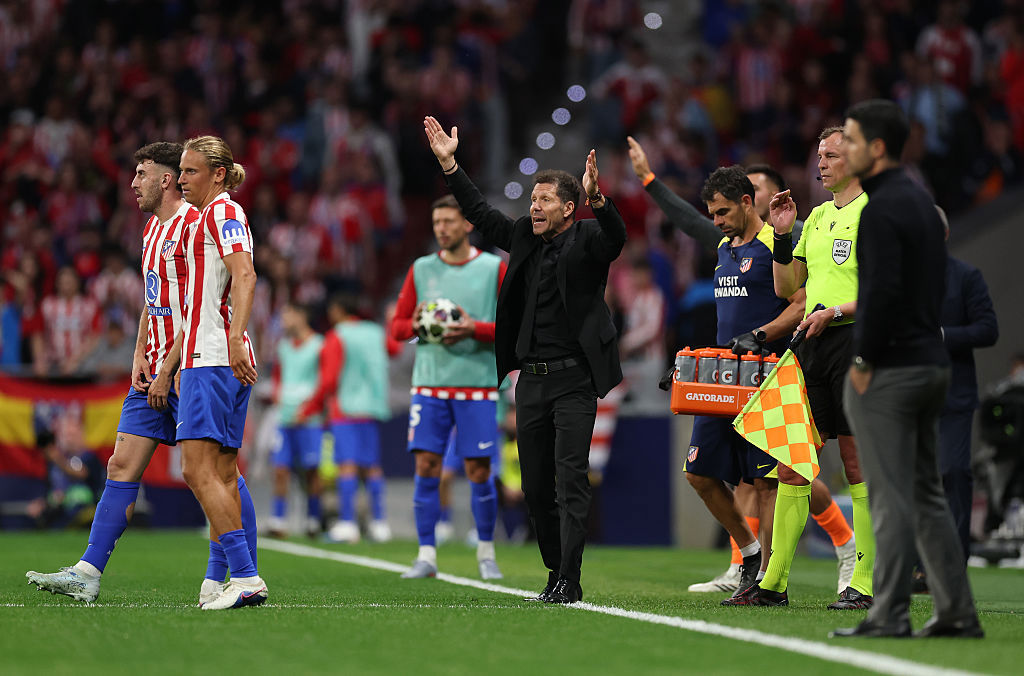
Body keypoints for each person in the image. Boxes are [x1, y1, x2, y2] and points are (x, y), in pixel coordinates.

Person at [26, 142, 259, 604]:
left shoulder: (201, 220)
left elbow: (201, 306)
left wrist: (169, 367)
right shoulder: (153, 230)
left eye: (141, 173)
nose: (132, 183)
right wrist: (140, 354)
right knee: (121, 463)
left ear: (167, 179)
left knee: (216, 472)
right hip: (157, 368)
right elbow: (156, 303)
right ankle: (88, 572)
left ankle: (236, 575)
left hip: (191, 365)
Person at [626, 139, 856, 596]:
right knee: (700, 473)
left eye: (721, 213)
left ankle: (775, 574)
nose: (715, 222)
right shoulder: (725, 245)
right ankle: (750, 555)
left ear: (748, 203)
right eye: (712, 214)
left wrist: (763, 335)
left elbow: (800, 301)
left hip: (771, 373)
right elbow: (691, 225)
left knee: (773, 482)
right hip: (727, 375)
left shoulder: (780, 241)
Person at [424, 115, 626, 603]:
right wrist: (451, 165)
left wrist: (600, 200)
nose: (533, 208)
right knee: (536, 488)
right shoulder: (521, 237)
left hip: (575, 380)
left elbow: (616, 237)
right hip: (530, 383)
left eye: (544, 201)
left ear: (568, 208)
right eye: (532, 200)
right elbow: (479, 211)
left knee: (570, 481)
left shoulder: (589, 241)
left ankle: (569, 581)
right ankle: (555, 569)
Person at [834, 99, 982, 638]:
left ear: (876, 148)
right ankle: (957, 612)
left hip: (891, 369)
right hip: (931, 363)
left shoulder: (879, 210)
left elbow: (881, 294)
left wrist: (863, 360)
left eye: (849, 139)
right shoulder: (921, 204)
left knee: (892, 498)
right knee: (926, 494)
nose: (842, 148)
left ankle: (890, 613)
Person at [728, 126, 876, 610]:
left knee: (857, 463)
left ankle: (864, 583)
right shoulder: (812, 221)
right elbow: (786, 286)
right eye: (819, 155)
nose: (822, 163)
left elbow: (881, 289)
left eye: (832, 155)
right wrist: (785, 231)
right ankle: (773, 583)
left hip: (853, 339)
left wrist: (834, 311)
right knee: (792, 465)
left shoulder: (872, 212)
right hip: (811, 346)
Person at [389, 194, 507, 579]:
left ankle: (486, 553)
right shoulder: (421, 269)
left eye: (449, 222)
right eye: (437, 222)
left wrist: (476, 328)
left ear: (468, 224)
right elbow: (397, 327)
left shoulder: (494, 269)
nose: (442, 228)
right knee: (427, 465)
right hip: (430, 385)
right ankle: (426, 555)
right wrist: (422, 324)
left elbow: (514, 328)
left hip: (477, 386)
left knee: (478, 469)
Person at [176, 135, 266, 610]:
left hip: (212, 357)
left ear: (217, 174)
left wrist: (233, 339)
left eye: (190, 171)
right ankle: (217, 579)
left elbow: (246, 275)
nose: (181, 178)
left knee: (195, 469)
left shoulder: (221, 212)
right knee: (225, 472)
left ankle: (246, 576)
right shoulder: (211, 215)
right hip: (214, 356)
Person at [299, 295, 393, 544]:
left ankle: (348, 523)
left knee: (347, 465)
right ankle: (380, 524)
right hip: (372, 408)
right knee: (372, 466)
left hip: (345, 408)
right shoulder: (374, 331)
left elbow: (329, 379)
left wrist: (310, 408)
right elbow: (394, 349)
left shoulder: (336, 335)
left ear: (338, 310)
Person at [935, 207, 999, 564]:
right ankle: (915, 565)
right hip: (909, 393)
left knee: (954, 472)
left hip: (953, 393)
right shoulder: (901, 281)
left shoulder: (966, 276)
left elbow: (988, 329)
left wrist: (942, 335)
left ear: (943, 235)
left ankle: (953, 561)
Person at [267, 301, 324, 538]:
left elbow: (324, 379)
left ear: (301, 316)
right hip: (285, 417)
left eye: (286, 315)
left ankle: (313, 521)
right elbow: (279, 375)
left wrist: (310, 408)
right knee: (280, 470)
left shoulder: (319, 345)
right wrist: (278, 396)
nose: (282, 321)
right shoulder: (283, 346)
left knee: (312, 471)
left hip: (310, 419)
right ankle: (278, 521)